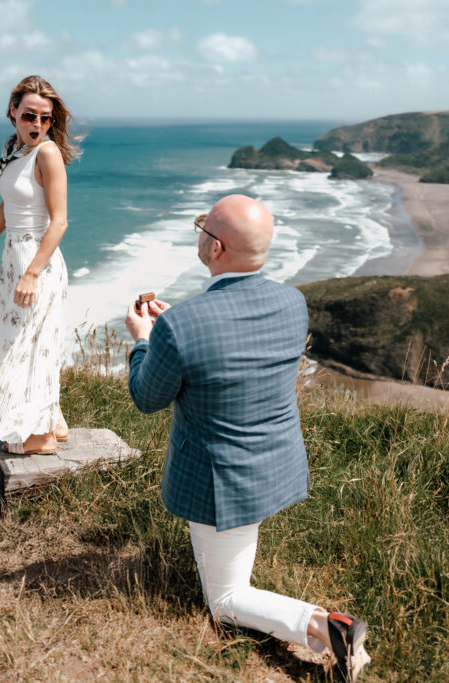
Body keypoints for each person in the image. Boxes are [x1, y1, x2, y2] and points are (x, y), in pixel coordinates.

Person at [124, 195, 371, 681]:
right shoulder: (291, 301)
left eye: (202, 226)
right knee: (231, 574)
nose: (198, 232)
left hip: (221, 481)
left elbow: (146, 397)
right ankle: (327, 628)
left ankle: (327, 626)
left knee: (225, 599)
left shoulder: (180, 325)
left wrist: (144, 338)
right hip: (276, 465)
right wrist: (178, 331)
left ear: (216, 248)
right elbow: (238, 346)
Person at [0, 75, 78, 456]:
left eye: (44, 118)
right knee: (28, 342)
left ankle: (39, 437)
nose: (37, 126)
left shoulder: (47, 153)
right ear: (13, 112)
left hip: (36, 261)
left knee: (27, 344)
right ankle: (53, 421)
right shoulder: (17, 151)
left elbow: (58, 221)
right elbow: (10, 205)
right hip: (14, 256)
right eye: (29, 116)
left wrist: (32, 273)